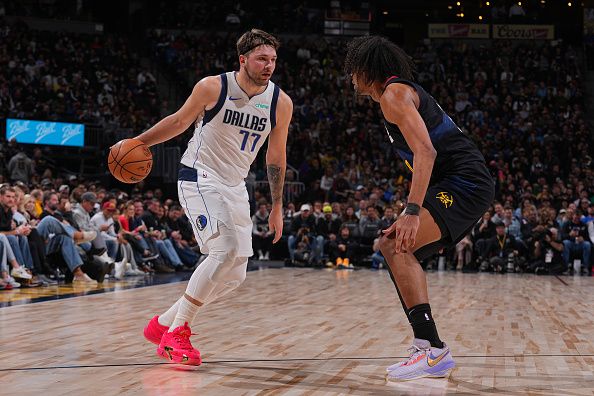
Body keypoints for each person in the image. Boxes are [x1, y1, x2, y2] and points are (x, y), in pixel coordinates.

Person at [137, 29, 292, 366]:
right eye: (262, 59)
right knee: (225, 251)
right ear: (243, 59)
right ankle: (176, 333)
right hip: (200, 176)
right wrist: (140, 142)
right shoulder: (214, 87)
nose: (269, 65)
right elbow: (179, 121)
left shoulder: (280, 102)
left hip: (236, 186)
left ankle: (161, 324)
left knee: (235, 275)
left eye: (273, 60)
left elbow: (275, 157)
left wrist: (277, 205)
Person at [344, 35, 495, 380]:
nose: (351, 78)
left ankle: (432, 349)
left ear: (368, 69)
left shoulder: (393, 95)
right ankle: (428, 347)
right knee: (394, 246)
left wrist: (412, 211)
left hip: (465, 183)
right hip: (456, 183)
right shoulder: (398, 94)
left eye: (354, 70)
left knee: (395, 245)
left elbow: (427, 152)